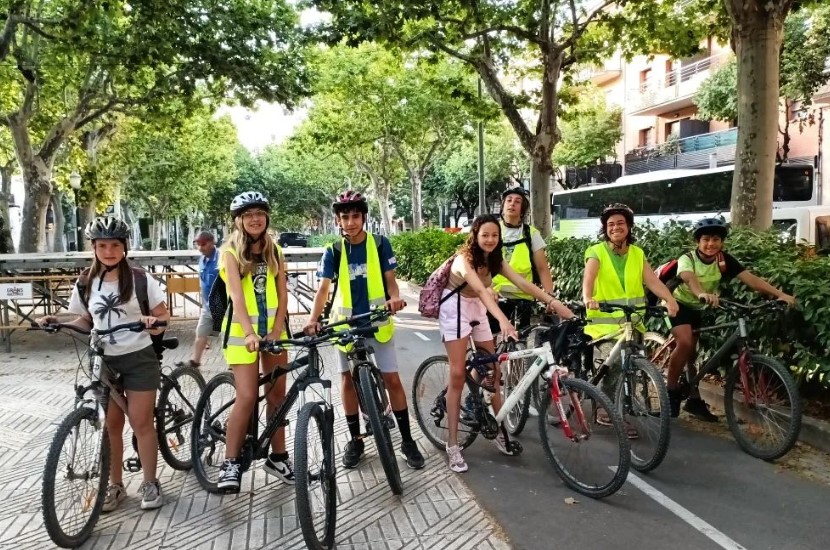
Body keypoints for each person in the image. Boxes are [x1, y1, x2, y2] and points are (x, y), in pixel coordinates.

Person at [37, 216, 170, 511]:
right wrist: (58, 322)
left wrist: (152, 322)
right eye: (102, 245)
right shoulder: (86, 281)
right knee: (112, 425)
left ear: (124, 247)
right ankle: (115, 486)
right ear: (94, 248)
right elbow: (86, 319)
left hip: (139, 356)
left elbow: (163, 317)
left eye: (114, 245)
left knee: (140, 422)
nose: (108, 251)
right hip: (102, 359)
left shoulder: (139, 279)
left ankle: (150, 483)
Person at [440, 214, 574, 473]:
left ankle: (499, 431)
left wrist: (557, 305)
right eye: (485, 235)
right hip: (454, 306)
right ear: (475, 236)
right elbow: (480, 290)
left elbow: (524, 283)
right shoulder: (464, 259)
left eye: (494, 235)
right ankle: (453, 444)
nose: (490, 240)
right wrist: (503, 321)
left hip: (477, 306)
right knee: (457, 374)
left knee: (494, 371)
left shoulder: (495, 259)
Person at [304, 190, 425, 471]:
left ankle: (407, 440)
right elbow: (324, 289)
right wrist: (313, 319)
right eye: (344, 217)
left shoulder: (380, 244)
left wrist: (393, 299)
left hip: (377, 320)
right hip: (344, 325)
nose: (350, 222)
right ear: (338, 221)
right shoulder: (333, 251)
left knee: (392, 379)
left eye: (355, 216)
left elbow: (391, 282)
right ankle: (355, 439)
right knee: (346, 379)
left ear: (364, 217)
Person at [665, 217, 796, 421]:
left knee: (691, 355)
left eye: (716, 239)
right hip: (677, 304)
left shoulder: (724, 260)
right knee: (685, 343)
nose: (711, 244)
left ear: (722, 242)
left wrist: (780, 294)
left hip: (700, 307)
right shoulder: (687, 258)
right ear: (697, 243)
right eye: (706, 239)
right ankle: (670, 394)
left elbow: (751, 279)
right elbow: (689, 278)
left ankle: (693, 398)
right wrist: (700, 293)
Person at [216, 191, 293, 492]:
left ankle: (279, 457)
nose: (254, 218)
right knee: (247, 397)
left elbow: (283, 294)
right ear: (238, 220)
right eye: (248, 214)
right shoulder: (230, 253)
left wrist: (275, 332)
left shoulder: (275, 250)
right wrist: (250, 334)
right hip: (240, 334)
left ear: (266, 217)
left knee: (277, 398)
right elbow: (236, 295)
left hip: (275, 333)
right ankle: (231, 462)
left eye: (259, 213)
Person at [582, 203, 679, 432]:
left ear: (629, 227)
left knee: (632, 365)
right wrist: (588, 297)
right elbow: (589, 277)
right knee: (613, 365)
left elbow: (652, 281)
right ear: (605, 229)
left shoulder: (637, 253)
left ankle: (627, 404)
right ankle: (605, 410)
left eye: (620, 223)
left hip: (632, 321)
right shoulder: (596, 251)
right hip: (604, 323)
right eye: (611, 224)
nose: (616, 227)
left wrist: (669, 299)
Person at [488, 186, 555, 335]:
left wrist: (549, 296)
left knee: (520, 341)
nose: (512, 204)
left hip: (523, 297)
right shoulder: (492, 230)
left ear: (523, 209)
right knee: (489, 339)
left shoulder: (531, 233)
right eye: (509, 201)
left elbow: (542, 268)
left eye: (517, 202)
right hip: (495, 295)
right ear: (503, 206)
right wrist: (486, 288)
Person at [178, 231, 219, 368]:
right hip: (207, 306)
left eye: (204, 244)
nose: (201, 247)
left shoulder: (221, 258)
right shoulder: (202, 260)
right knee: (200, 333)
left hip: (222, 306)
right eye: (198, 244)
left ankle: (234, 365)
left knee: (228, 338)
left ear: (212, 242)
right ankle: (195, 361)